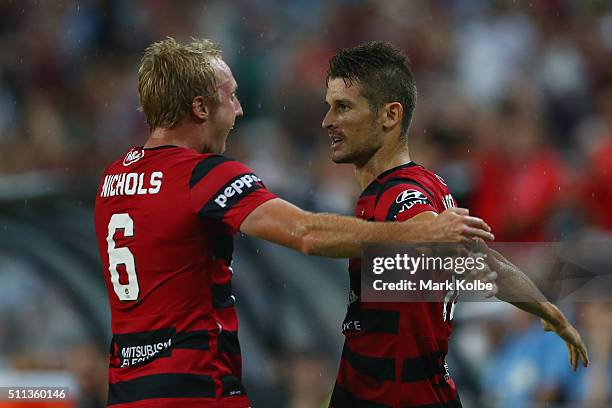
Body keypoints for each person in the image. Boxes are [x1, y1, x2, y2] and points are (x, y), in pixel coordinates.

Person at [93, 37, 494, 408]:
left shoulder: (112, 180)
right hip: (195, 387)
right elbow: (305, 232)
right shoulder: (204, 174)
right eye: (230, 97)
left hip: (128, 389)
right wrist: (413, 232)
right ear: (200, 108)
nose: (239, 110)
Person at [322, 41, 589, 408]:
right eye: (329, 107)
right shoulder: (431, 182)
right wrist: (547, 309)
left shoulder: (401, 196)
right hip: (398, 387)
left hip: (392, 396)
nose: (328, 121)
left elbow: (437, 237)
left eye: (343, 107)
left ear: (389, 116)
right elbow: (485, 265)